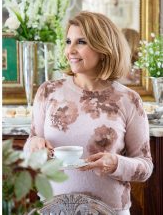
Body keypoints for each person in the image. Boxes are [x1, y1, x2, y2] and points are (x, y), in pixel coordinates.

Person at [24, 11, 153, 215]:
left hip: (110, 211)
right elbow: (30, 145)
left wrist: (116, 164)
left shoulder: (129, 100)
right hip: (52, 209)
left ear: (104, 47)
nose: (70, 50)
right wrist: (34, 144)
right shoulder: (48, 92)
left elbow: (145, 167)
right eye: (68, 41)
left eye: (81, 42)